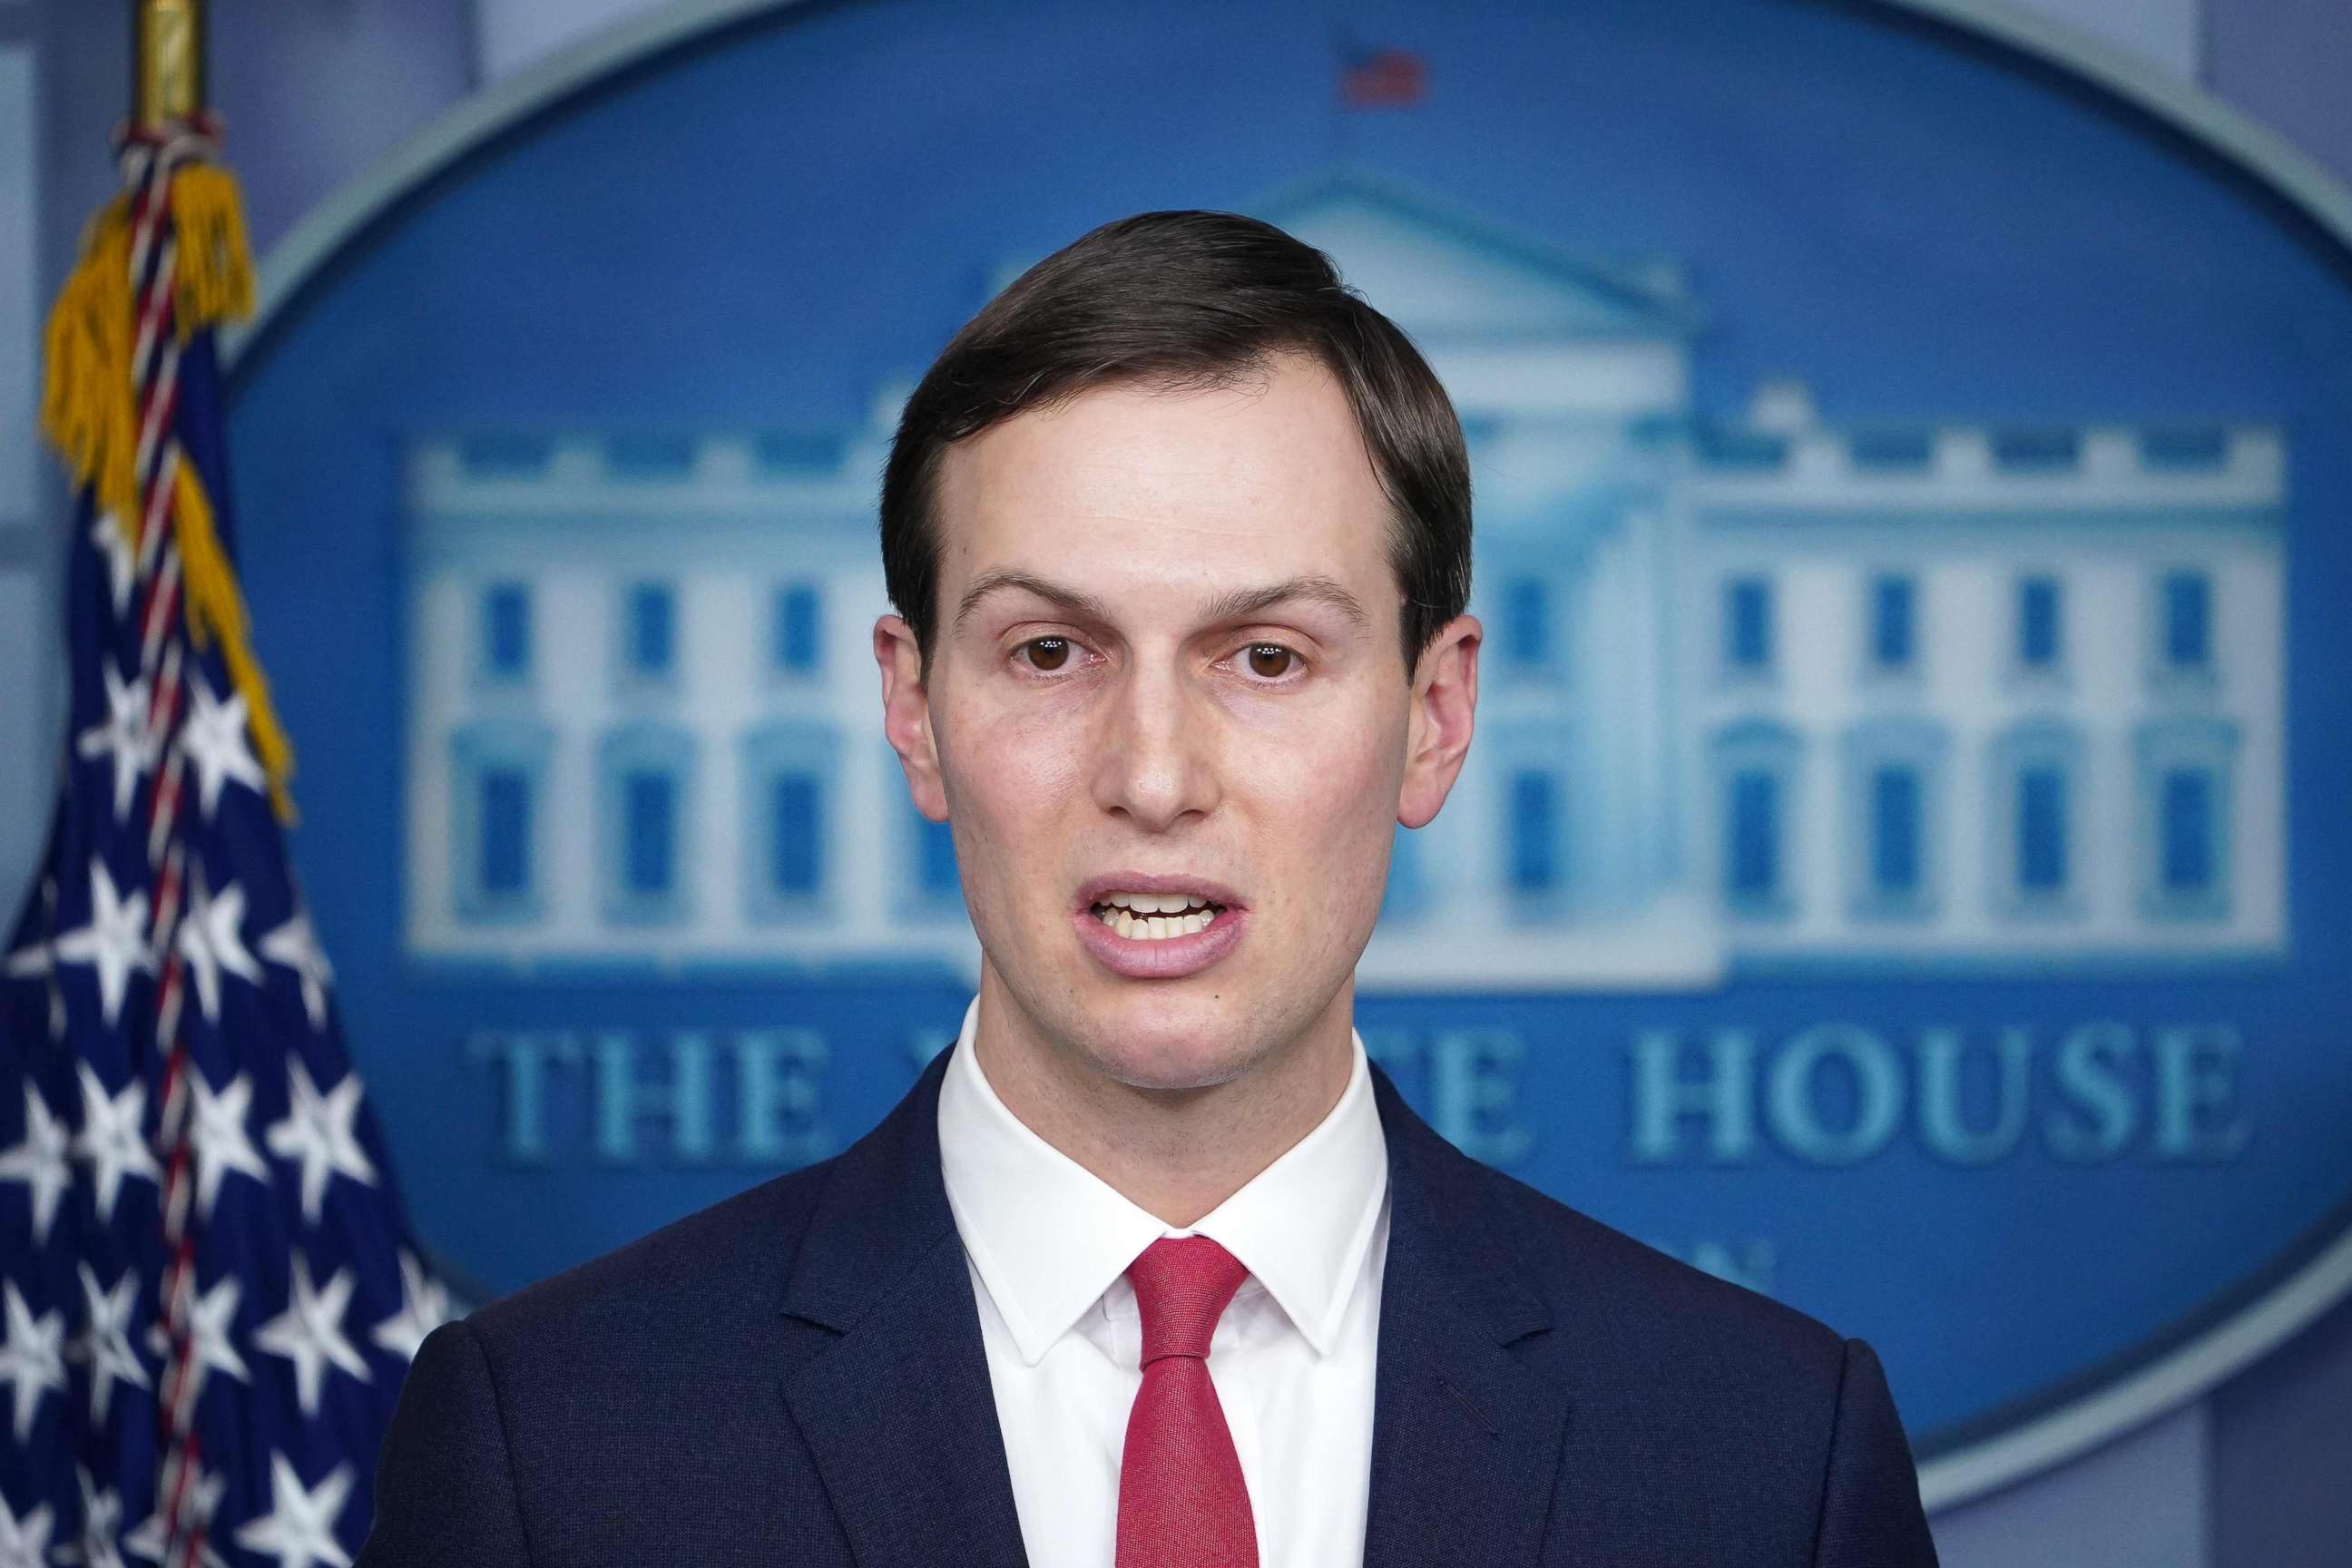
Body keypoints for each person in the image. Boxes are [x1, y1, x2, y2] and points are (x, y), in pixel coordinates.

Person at [357, 211, 1939, 1567]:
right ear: (914, 713)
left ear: (1434, 719)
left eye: (1266, 657)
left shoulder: (1764, 1460)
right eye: (1051, 652)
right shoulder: (549, 1451)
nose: (1157, 773)